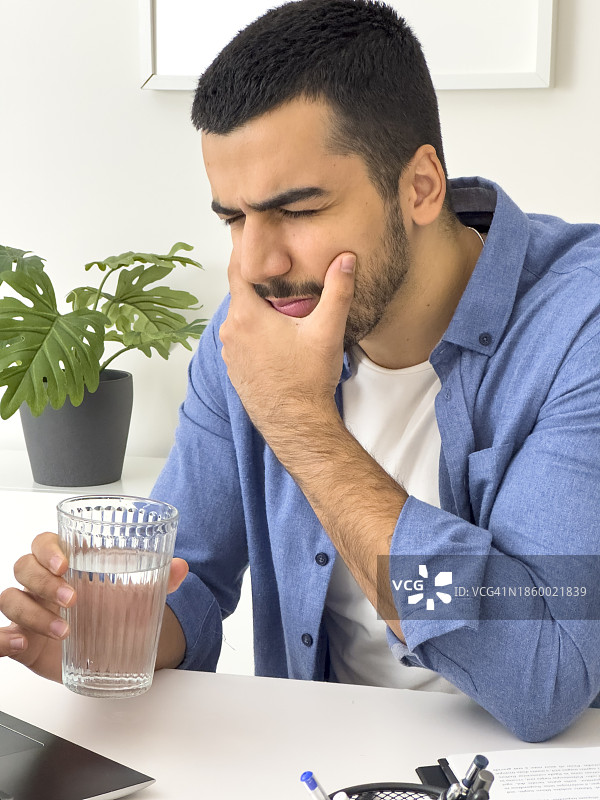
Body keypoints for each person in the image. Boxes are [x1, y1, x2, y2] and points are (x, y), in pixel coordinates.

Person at [2, 0, 600, 742]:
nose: (256, 263)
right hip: (321, 769)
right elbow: (192, 577)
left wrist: (304, 428)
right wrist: (105, 634)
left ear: (420, 186)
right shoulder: (255, 323)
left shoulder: (581, 327)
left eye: (298, 209)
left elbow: (544, 670)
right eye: (233, 218)